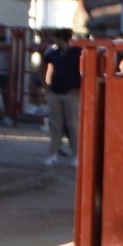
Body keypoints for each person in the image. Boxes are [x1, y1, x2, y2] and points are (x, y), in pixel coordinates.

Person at [41, 28, 82, 166]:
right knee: (55, 125)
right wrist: (46, 86)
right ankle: (53, 154)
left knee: (73, 125)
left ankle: (76, 155)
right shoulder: (53, 52)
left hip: (71, 93)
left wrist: (79, 88)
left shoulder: (77, 52)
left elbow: (86, 70)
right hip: (55, 92)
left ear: (61, 38)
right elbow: (43, 64)